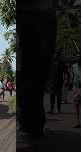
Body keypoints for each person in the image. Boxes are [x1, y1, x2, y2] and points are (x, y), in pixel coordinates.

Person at [18, 0, 57, 139]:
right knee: (28, 75)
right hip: (23, 14)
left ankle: (34, 120)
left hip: (43, 16)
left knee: (37, 74)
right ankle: (29, 119)